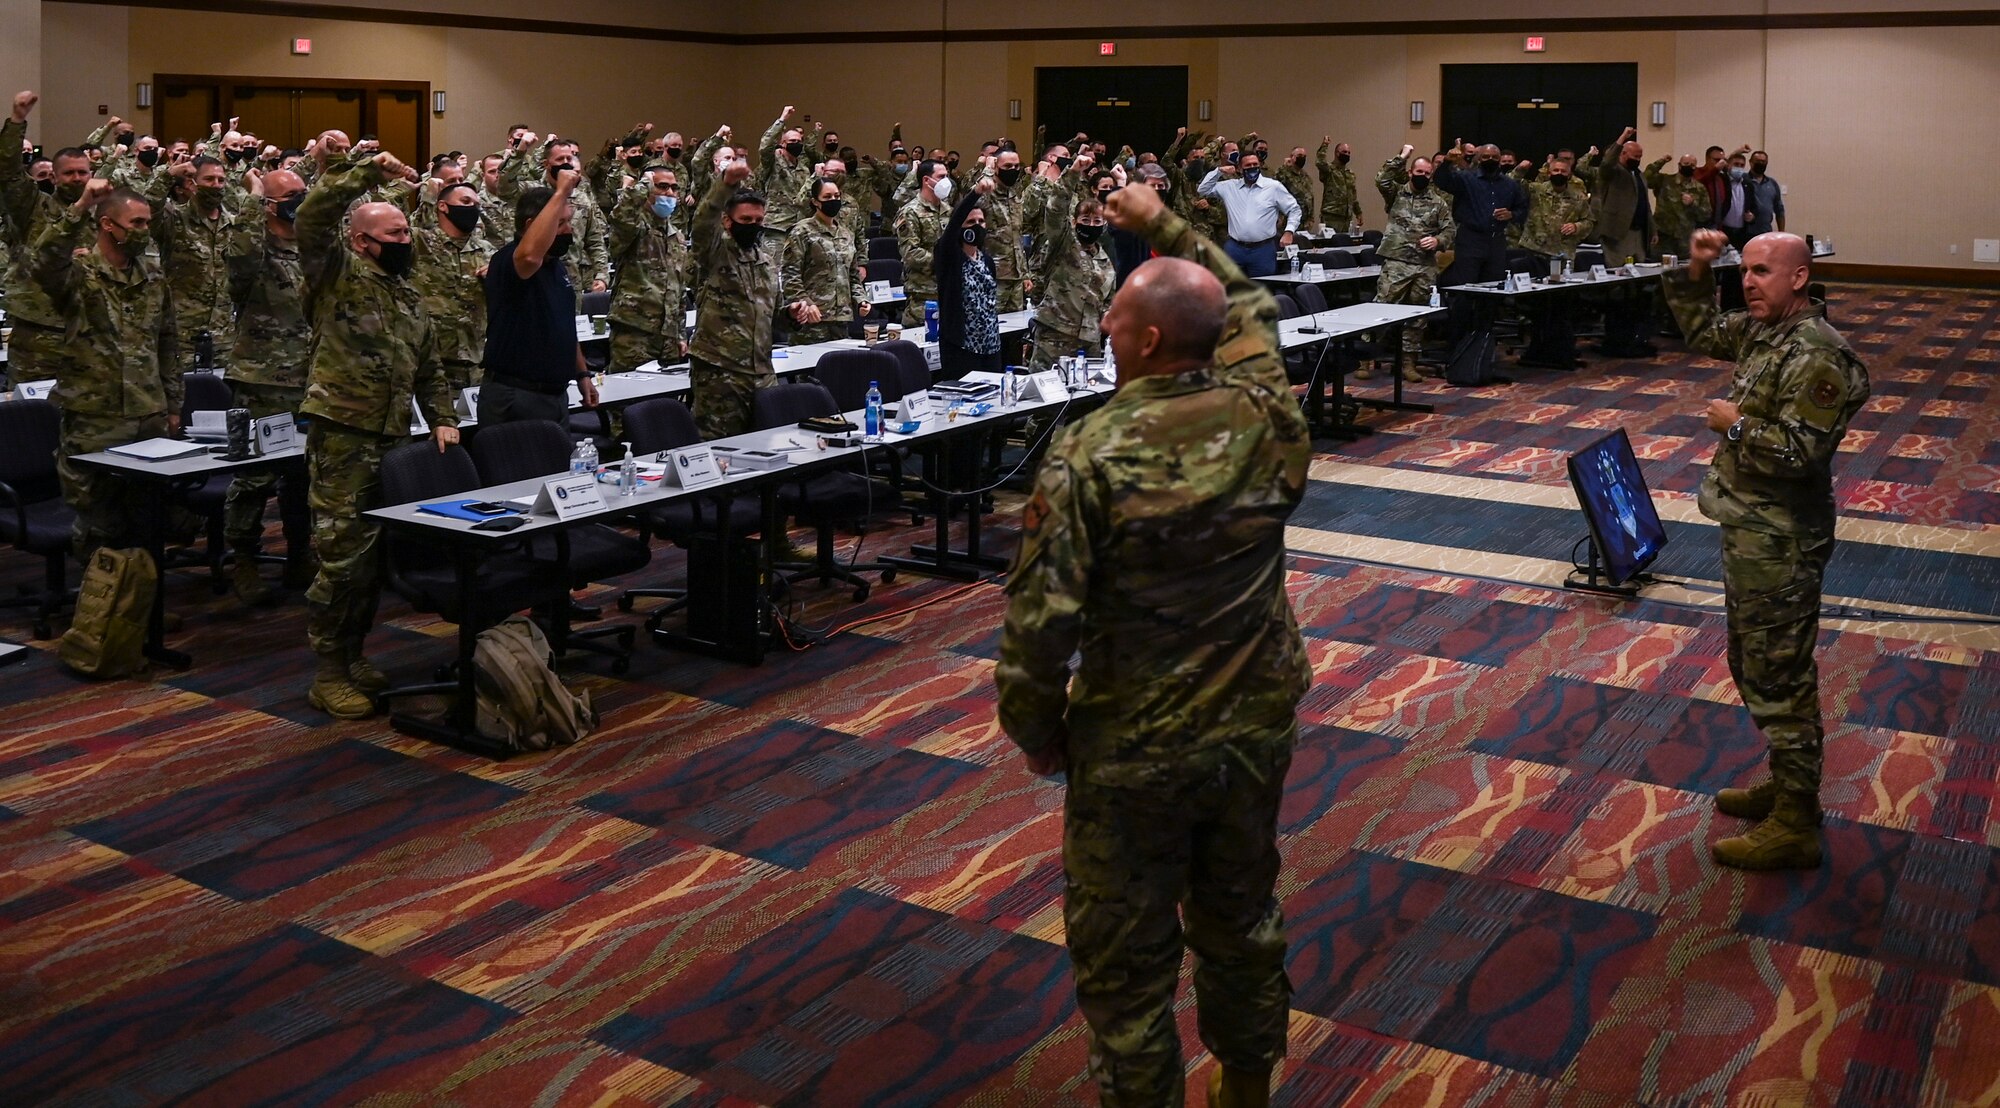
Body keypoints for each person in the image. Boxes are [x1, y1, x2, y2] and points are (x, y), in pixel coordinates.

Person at [997, 180, 1310, 1108]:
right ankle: (1245, 1088)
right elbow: (1249, 305)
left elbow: (1040, 625)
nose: (1103, 329)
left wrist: (1036, 729)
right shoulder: (1271, 416)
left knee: (1127, 956)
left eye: (1114, 323)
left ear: (1144, 343)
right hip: (1256, 721)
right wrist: (1164, 225)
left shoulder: (1090, 451)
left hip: (1135, 744)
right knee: (1242, 915)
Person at [1663, 228, 1868, 871]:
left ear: (1798, 278)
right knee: (1754, 661)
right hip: (1754, 528)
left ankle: (1797, 821)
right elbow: (1700, 331)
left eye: (1761, 272)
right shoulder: (1766, 330)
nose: (1748, 283)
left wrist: (1738, 424)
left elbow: (1805, 452)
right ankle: (1788, 783)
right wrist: (1698, 269)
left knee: (1778, 671)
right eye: (1743, 271)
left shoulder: (1816, 354)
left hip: (1782, 537)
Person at [296, 152, 459, 719]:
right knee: (342, 560)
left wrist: (442, 416)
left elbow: (429, 365)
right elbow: (312, 219)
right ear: (362, 241)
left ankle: (355, 653)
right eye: (394, 233)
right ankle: (329, 670)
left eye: (408, 229)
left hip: (392, 437)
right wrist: (366, 173)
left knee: (374, 555)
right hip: (343, 436)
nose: (406, 238)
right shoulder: (335, 273)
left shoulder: (407, 291)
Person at [30, 179, 179, 559]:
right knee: (99, 521)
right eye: (137, 224)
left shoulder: (153, 275)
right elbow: (43, 260)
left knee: (147, 517)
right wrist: (79, 205)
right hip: (95, 416)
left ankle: (142, 609)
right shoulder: (78, 273)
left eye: (147, 223)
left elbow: (167, 342)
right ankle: (100, 613)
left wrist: (174, 404)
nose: (145, 231)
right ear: (108, 225)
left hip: (148, 412)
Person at [222, 166, 314, 604]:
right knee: (255, 477)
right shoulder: (253, 249)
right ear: (269, 204)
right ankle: (242, 559)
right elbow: (237, 257)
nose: (301, 199)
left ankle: (300, 555)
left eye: (303, 191)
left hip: (313, 379)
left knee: (304, 477)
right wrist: (250, 199)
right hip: (263, 379)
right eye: (290, 195)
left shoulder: (315, 246)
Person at [478, 173, 599, 425]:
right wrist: (560, 192)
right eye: (560, 223)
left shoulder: (557, 267)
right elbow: (530, 257)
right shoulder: (507, 260)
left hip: (555, 395)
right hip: (516, 395)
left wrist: (582, 373)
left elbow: (563, 326)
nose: (569, 230)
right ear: (532, 225)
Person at [687, 155, 781, 440]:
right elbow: (703, 224)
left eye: (758, 220)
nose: (753, 225)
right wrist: (725, 184)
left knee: (768, 444)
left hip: (762, 371)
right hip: (720, 371)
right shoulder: (715, 252)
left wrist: (792, 314)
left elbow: (769, 313)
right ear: (728, 221)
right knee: (719, 448)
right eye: (745, 220)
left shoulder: (765, 260)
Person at [2, 90, 91, 385]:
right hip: (39, 331)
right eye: (69, 173)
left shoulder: (104, 216)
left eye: (82, 172)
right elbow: (8, 173)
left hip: (88, 330)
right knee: (33, 419)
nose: (77, 179)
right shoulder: (33, 207)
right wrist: (17, 120)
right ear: (54, 177)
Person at [1366, 145, 1454, 383]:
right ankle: (1364, 358)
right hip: (1397, 261)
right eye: (1419, 172)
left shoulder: (1438, 202)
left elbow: (1450, 229)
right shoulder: (1396, 193)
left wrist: (1437, 240)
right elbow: (1381, 179)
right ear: (1410, 172)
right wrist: (1402, 156)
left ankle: (1409, 363)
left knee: (1417, 316)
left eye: (1427, 173)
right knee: (1382, 308)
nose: (1422, 176)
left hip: (1424, 266)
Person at [1029, 155, 1116, 369]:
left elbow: (1107, 301)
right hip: (1055, 335)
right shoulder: (1064, 243)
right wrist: (1074, 173)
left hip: (1090, 340)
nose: (1091, 225)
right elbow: (1056, 209)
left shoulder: (1105, 261)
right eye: (1085, 220)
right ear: (1075, 222)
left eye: (1097, 221)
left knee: (1086, 399)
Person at [605, 163, 692, 373]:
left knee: (666, 401)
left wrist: (680, 334)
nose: (669, 193)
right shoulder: (635, 228)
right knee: (629, 398)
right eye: (662, 186)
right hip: (635, 330)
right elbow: (622, 216)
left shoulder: (677, 238)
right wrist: (642, 185)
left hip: (668, 334)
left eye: (673, 187)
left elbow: (678, 291)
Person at [412, 180, 496, 390]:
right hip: (429, 360)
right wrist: (429, 197)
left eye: (476, 205)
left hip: (474, 360)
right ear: (443, 206)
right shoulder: (422, 242)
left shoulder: (488, 251)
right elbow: (402, 228)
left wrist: (497, 278)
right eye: (465, 201)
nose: (472, 209)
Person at [1592, 127, 1657, 358]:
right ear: (1623, 154)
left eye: (1640, 157)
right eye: (1633, 156)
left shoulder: (1638, 175)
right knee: (1619, 285)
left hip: (1638, 234)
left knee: (1637, 286)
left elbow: (1645, 204)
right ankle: (1616, 338)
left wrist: (1652, 229)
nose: (1637, 160)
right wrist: (1622, 138)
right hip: (1618, 234)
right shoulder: (1613, 171)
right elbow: (1606, 162)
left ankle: (1635, 337)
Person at [780, 176, 864, 345]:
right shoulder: (801, 231)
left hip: (841, 319)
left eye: (836, 196)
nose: (833, 200)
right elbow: (790, 275)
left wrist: (861, 299)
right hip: (812, 318)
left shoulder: (846, 234)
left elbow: (853, 275)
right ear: (815, 202)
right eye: (827, 197)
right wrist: (806, 304)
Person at [1434, 142, 1529, 287]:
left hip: (1496, 242)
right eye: (1485, 156)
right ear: (1478, 159)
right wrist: (1447, 161)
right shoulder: (1465, 179)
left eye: (1494, 157)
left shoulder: (1510, 184)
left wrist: (1511, 214)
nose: (1490, 159)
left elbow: (1523, 209)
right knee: (1465, 287)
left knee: (1494, 287)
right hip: (1470, 241)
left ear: (1499, 159)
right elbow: (1441, 181)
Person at [933, 173, 1000, 377]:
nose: (977, 226)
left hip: (990, 344)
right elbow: (953, 224)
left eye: (981, 221)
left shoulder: (986, 260)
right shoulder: (949, 256)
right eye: (971, 222)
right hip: (961, 345)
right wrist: (975, 193)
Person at [1196, 148, 1300, 278]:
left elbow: (1294, 209)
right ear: (1239, 168)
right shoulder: (1229, 186)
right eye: (1248, 165)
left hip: (1263, 249)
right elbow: (1202, 190)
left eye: (1255, 165)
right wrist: (1218, 171)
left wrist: (1289, 231)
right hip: (1235, 247)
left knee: (1263, 289)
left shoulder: (1273, 187)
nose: (1252, 168)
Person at [892, 159, 953, 329]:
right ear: (927, 180)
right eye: (941, 176)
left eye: (946, 176)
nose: (946, 181)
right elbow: (911, 253)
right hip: (923, 294)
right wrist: (942, 262)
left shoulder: (947, 210)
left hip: (948, 290)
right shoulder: (910, 211)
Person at [1646, 153, 1713, 261]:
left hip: (1684, 240)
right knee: (1659, 270)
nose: (1689, 167)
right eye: (1686, 163)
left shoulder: (1699, 188)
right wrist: (1661, 161)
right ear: (1679, 165)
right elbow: (1646, 178)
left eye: (1692, 165)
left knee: (1683, 273)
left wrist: (1693, 204)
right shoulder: (1665, 180)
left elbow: (1706, 215)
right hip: (1663, 236)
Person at [1314, 137, 1363, 233]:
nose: (1347, 154)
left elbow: (1353, 195)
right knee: (1331, 245)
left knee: (1344, 245)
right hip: (1331, 216)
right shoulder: (1330, 170)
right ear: (1337, 153)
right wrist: (1325, 145)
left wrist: (1358, 212)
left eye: (1349, 153)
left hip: (1346, 218)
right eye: (1344, 152)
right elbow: (1320, 162)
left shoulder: (1350, 174)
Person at [1744, 152, 1785, 238]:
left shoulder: (1772, 183)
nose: (1761, 164)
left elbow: (1779, 210)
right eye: (1758, 161)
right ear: (1750, 162)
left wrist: (1782, 233)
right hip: (1745, 232)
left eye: (1763, 162)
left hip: (1766, 232)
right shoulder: (1743, 180)